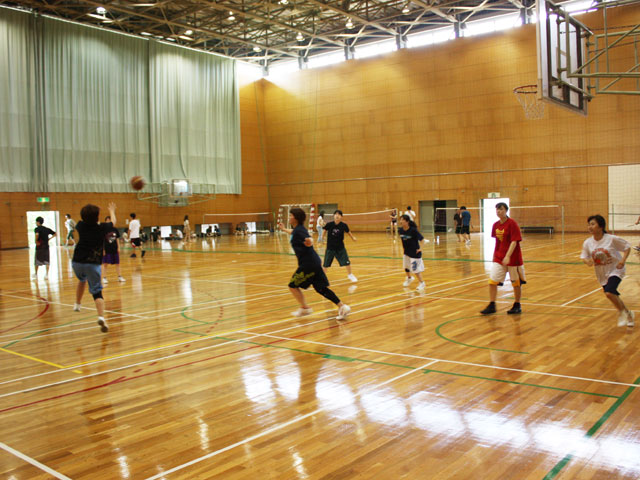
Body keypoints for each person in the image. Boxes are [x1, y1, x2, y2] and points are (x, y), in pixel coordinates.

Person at [278, 208, 351, 320]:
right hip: (314, 262)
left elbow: (308, 239)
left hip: (308, 265)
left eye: (291, 215)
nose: (289, 217)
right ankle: (342, 306)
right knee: (321, 288)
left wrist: (309, 242)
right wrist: (283, 229)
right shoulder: (298, 229)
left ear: (296, 218)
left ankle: (305, 308)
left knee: (292, 286)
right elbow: (294, 233)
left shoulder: (300, 231)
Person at [581, 214, 634, 327]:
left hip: (616, 270)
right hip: (601, 273)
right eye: (588, 224)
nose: (590, 227)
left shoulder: (611, 239)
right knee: (612, 294)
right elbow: (584, 257)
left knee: (609, 292)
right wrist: (588, 262)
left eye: (593, 224)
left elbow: (627, 247)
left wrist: (623, 260)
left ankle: (621, 313)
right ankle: (628, 314)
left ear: (600, 226)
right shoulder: (587, 243)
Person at [72, 203, 117, 333]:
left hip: (77, 262)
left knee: (81, 280)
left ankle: (77, 304)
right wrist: (112, 210)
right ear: (97, 217)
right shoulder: (102, 228)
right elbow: (113, 222)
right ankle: (101, 317)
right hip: (92, 263)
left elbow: (79, 222)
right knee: (97, 292)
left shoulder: (80, 225)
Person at [480, 203, 526, 315]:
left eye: (501, 209)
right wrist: (495, 255)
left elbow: (514, 241)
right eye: (497, 209)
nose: (498, 211)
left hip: (513, 258)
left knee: (515, 282)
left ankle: (517, 304)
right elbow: (497, 242)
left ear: (506, 210)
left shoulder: (512, 224)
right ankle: (492, 304)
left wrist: (508, 256)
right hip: (499, 257)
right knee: (492, 281)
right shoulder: (495, 225)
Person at [323, 210, 358, 283]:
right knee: (326, 264)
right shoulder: (329, 224)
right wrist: (322, 239)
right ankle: (322, 278)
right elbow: (324, 231)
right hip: (330, 247)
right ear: (334, 216)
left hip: (340, 247)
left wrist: (353, 238)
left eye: (339, 214)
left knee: (347, 262)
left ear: (341, 217)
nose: (337, 215)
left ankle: (350, 275)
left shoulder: (344, 225)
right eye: (335, 214)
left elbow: (348, 232)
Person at [398, 214, 427, 291]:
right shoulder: (400, 230)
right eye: (400, 219)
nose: (400, 221)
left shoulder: (413, 230)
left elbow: (422, 240)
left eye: (402, 220)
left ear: (407, 221)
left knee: (415, 269)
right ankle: (409, 278)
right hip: (406, 252)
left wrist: (421, 249)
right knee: (406, 267)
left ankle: (422, 283)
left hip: (415, 252)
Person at [102, 216, 125, 285]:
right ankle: (104, 278)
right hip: (106, 249)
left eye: (110, 220)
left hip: (114, 248)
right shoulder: (103, 230)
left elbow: (117, 239)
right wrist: (103, 250)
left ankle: (120, 276)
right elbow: (102, 240)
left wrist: (119, 247)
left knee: (117, 263)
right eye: (107, 220)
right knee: (105, 264)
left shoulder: (115, 229)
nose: (109, 222)